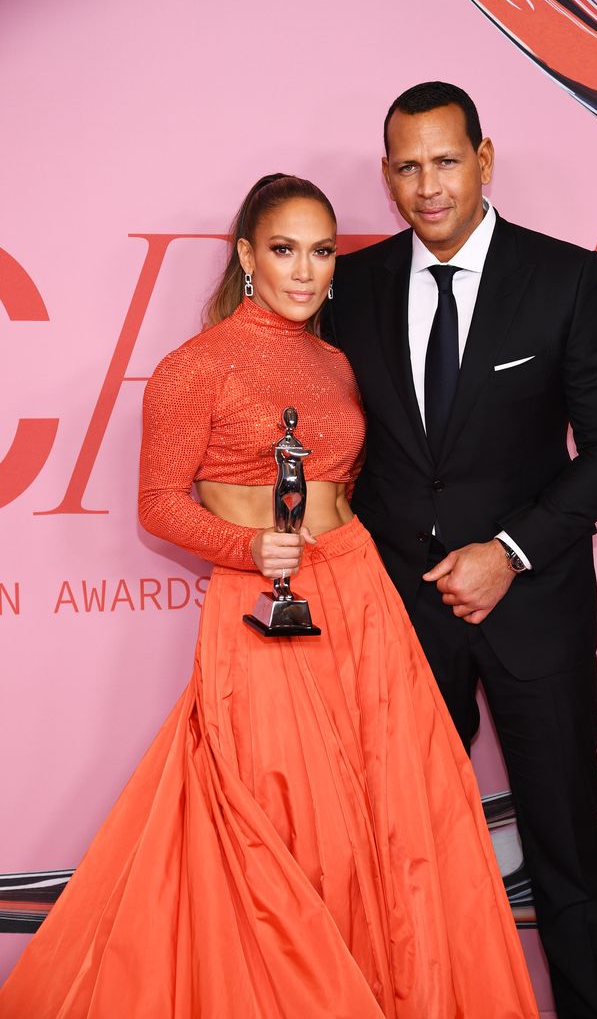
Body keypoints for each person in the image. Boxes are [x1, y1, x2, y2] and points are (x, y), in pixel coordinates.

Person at [0, 175, 538, 1018]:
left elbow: (348, 486)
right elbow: (158, 502)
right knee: (283, 812)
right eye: (284, 250)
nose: (305, 272)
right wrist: (245, 546)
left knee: (389, 815)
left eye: (322, 252)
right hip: (260, 600)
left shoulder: (335, 362)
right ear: (246, 256)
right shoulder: (194, 367)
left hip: (356, 595)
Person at [326, 83, 597, 1019]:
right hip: (401, 618)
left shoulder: (564, 279)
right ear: (387, 176)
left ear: (484, 159)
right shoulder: (356, 287)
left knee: (564, 847)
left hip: (532, 610)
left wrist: (507, 551)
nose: (428, 185)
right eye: (408, 166)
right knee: (398, 848)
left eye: (445, 160)